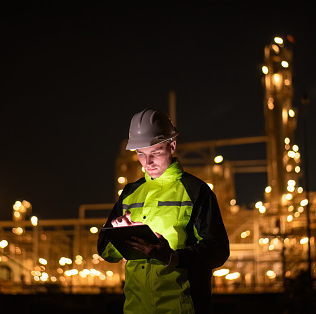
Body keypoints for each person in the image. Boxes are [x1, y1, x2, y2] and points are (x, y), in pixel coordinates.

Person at [97, 108, 230, 313]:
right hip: (136, 308)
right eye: (141, 154)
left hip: (181, 307)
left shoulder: (195, 192)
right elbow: (106, 251)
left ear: (172, 146)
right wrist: (121, 236)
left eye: (155, 153)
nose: (147, 163)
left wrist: (172, 257)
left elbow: (218, 249)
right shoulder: (131, 193)